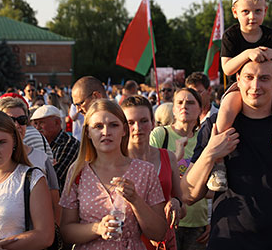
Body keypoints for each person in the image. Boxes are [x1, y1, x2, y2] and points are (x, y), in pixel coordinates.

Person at [181, 59, 272, 250]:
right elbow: (188, 194)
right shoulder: (216, 126)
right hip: (227, 242)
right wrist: (210, 153)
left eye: (264, 78)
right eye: (249, 77)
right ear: (238, 80)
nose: (255, 86)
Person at [210, 0, 272, 194]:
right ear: (235, 12)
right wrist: (246, 54)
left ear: (265, 11)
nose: (252, 17)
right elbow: (227, 68)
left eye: (258, 11)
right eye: (246, 12)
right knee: (225, 111)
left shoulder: (270, 35)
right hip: (239, 87)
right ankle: (219, 163)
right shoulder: (231, 35)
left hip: (269, 88)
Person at [59, 99, 167, 249]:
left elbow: (159, 233)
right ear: (88, 132)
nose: (106, 132)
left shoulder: (145, 171)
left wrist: (135, 200)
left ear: (124, 130)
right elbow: (66, 231)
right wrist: (98, 228)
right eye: (98, 126)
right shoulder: (78, 171)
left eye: (113, 125)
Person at [121, 95, 185, 250]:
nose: (137, 128)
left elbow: (183, 209)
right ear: (122, 127)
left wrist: (176, 203)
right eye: (131, 123)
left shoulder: (168, 156)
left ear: (153, 123)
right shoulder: (117, 160)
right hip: (130, 242)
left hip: (164, 241)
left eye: (143, 121)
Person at [150, 88, 209, 250]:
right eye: (180, 103)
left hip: (197, 221)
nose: (185, 106)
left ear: (200, 109)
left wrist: (210, 219)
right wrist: (175, 157)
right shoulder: (160, 135)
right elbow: (149, 175)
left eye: (190, 103)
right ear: (174, 109)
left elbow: (210, 182)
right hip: (166, 220)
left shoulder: (204, 138)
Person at [0, 97, 61, 225]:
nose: (16, 125)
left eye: (22, 120)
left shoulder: (41, 158)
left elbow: (55, 203)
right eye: (10, 120)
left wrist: (54, 235)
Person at [0, 110, 54, 250]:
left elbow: (45, 236)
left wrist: (2, 245)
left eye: (1, 142)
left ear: (14, 141)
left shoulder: (31, 178)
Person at [32, 105, 80, 191]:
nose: (37, 127)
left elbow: (53, 179)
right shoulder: (39, 142)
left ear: (57, 122)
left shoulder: (70, 144)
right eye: (35, 123)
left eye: (42, 123)